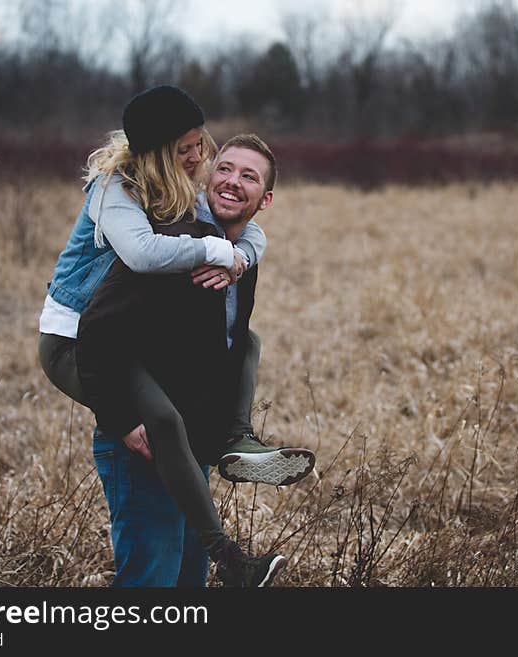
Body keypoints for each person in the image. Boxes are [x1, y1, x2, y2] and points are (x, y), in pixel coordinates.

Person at [36, 86, 313, 585]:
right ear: (160, 151)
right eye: (186, 148)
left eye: (200, 144)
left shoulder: (182, 196)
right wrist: (216, 251)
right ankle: (232, 559)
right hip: (76, 334)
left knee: (246, 342)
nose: (200, 157)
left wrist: (240, 255)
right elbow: (142, 257)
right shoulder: (117, 189)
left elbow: (243, 228)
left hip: (127, 349)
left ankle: (235, 437)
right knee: (159, 423)